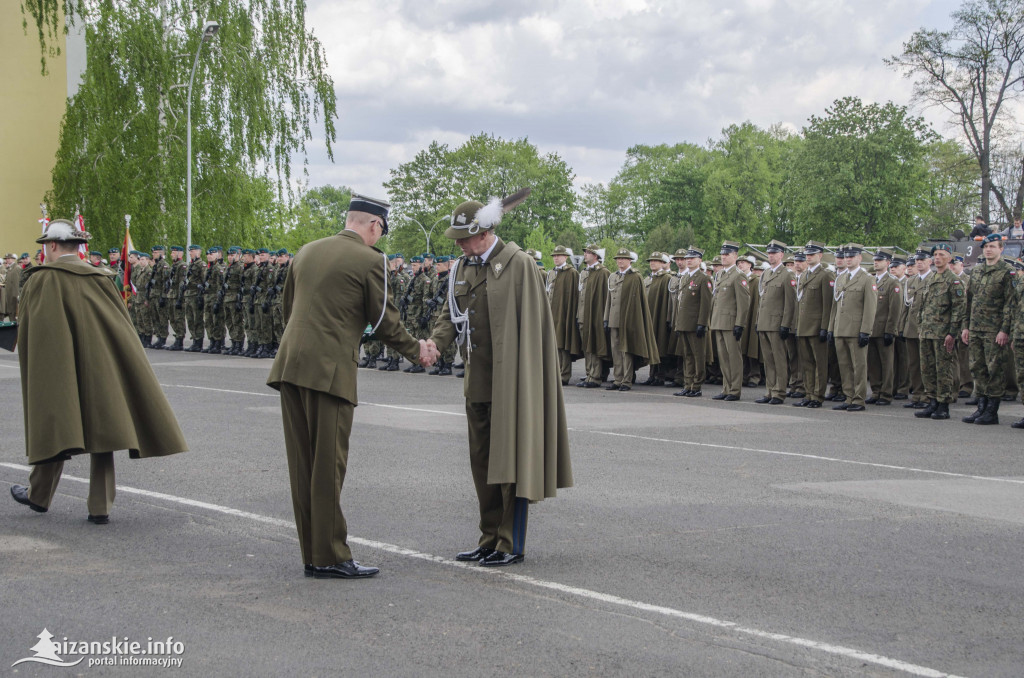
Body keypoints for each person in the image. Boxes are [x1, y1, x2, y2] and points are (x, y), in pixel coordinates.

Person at [267, 194, 435, 579]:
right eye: (380, 231)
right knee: (328, 465)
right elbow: (383, 320)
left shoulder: (306, 251)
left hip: (291, 366)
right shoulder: (369, 260)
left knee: (303, 464)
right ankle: (329, 556)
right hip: (329, 372)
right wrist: (418, 351)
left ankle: (312, 552)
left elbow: (287, 308)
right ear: (375, 226)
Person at [427, 192, 572, 567]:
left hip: (514, 383)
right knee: (483, 463)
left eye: (463, 237)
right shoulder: (463, 268)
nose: (458, 244)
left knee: (512, 461)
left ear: (485, 231)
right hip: (478, 379)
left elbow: (535, 330)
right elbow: (450, 315)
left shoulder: (519, 263)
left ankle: (510, 542)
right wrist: (430, 347)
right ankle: (489, 537)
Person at [10, 219, 187, 524]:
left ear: (51, 245)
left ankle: (39, 496)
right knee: (102, 430)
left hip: (59, 368)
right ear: (77, 246)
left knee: (56, 425)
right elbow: (121, 326)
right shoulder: (101, 277)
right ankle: (100, 507)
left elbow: (32, 332)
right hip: (100, 366)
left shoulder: (41, 279)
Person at [961, 233, 1015, 425]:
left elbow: (1010, 304)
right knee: (978, 368)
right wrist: (966, 327)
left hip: (995, 329)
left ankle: (992, 411)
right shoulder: (976, 271)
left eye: (992, 246)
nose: (988, 250)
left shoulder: (1008, 272)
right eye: (986, 247)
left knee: (995, 370)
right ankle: (981, 407)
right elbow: (969, 301)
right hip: (975, 328)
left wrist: (1004, 330)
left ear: (1001, 248)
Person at [914, 244, 966, 420]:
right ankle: (932, 401)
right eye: (935, 255)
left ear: (949, 258)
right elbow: (924, 305)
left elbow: (959, 308)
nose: (937, 258)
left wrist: (952, 332)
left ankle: (943, 405)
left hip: (943, 333)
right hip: (928, 331)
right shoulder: (931, 278)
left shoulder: (954, 280)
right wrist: (920, 326)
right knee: (927, 369)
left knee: (943, 369)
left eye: (941, 255)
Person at [828, 243, 877, 411]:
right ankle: (848, 396)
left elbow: (870, 308)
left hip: (856, 330)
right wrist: (831, 328)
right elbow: (835, 306)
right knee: (844, 365)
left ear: (859, 258)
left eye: (852, 257)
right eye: (846, 257)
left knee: (859, 366)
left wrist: (865, 331)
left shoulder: (867, 278)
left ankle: (858, 399)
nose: (848, 259)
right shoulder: (841, 278)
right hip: (840, 329)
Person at [604, 247, 659, 391]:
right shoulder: (613, 277)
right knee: (615, 350)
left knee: (625, 350)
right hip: (614, 318)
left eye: (623, 258)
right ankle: (618, 379)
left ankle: (626, 380)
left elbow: (638, 302)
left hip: (627, 319)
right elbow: (609, 299)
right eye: (618, 259)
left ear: (630, 260)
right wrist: (606, 318)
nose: (620, 261)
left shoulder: (635, 277)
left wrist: (634, 320)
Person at [754, 240, 795, 404]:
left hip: (777, 323)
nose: (771, 256)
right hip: (765, 322)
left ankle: (779, 391)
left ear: (781, 255)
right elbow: (762, 300)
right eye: (769, 253)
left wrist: (786, 324)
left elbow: (790, 302)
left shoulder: (787, 274)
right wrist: (758, 320)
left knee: (779, 359)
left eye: (774, 253)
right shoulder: (766, 274)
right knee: (768, 360)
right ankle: (770, 390)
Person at [793, 242, 834, 408]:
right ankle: (809, 393)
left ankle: (818, 395)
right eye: (807, 254)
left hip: (817, 326)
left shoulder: (825, 275)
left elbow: (827, 304)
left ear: (820, 255)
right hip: (803, 326)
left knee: (819, 363)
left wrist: (825, 327)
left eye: (812, 254)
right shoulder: (804, 275)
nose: (808, 257)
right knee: (807, 363)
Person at [710, 241, 750, 401]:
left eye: (727, 254)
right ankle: (726, 387)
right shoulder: (720, 274)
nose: (723, 256)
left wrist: (740, 323)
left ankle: (734, 389)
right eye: (722, 254)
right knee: (723, 357)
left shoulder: (738, 275)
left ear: (735, 256)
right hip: (719, 321)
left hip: (731, 323)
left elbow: (744, 302)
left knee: (733, 357)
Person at [672, 247, 712, 397]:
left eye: (692, 258)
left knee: (698, 356)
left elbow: (706, 303)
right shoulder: (685, 278)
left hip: (695, 324)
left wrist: (702, 323)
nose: (689, 260)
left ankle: (696, 385)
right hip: (684, 323)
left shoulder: (704, 278)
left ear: (699, 260)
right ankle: (688, 384)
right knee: (687, 356)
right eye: (687, 258)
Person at [866, 249, 901, 405]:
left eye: (880, 260)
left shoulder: (892, 282)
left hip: (884, 328)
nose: (876, 262)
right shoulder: (871, 280)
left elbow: (895, 309)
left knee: (886, 363)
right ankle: (876, 391)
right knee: (873, 363)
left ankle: (886, 393)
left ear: (888, 263)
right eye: (875, 260)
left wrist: (890, 330)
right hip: (871, 328)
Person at [546, 245, 582, 385]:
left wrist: (571, 315)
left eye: (558, 255)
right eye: (554, 256)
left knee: (563, 345)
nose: (556, 258)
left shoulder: (571, 273)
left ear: (565, 257)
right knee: (554, 345)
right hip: (551, 314)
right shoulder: (551, 273)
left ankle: (564, 375)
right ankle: (555, 373)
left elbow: (574, 296)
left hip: (564, 313)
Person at [577, 245, 611, 388]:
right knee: (587, 346)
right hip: (584, 314)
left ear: (596, 256)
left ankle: (595, 376)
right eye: (584, 252)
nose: (585, 254)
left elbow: (604, 297)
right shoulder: (585, 272)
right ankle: (589, 374)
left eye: (588, 252)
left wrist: (603, 317)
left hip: (595, 315)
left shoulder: (603, 272)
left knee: (595, 345)